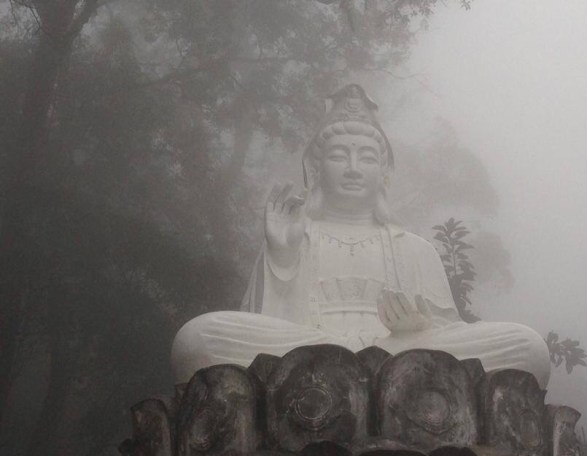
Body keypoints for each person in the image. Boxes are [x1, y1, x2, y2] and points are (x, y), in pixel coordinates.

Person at [172, 85, 550, 387]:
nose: (353, 169)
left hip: (401, 350)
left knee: (528, 347)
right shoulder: (294, 237)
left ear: (384, 173)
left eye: (367, 158)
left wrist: (417, 331)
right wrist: (280, 258)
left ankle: (373, 369)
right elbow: (271, 321)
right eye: (339, 156)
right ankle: (367, 376)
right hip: (310, 348)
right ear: (316, 169)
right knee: (196, 340)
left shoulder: (415, 250)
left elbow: (447, 331)